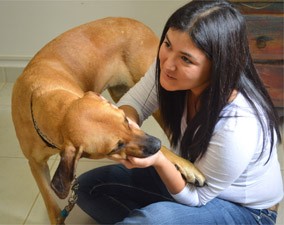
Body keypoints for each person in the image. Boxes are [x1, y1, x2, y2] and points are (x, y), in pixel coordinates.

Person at [75, 1, 283, 224]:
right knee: (86, 188)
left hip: (246, 210)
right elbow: (134, 102)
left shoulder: (239, 125)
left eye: (185, 59)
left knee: (151, 220)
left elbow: (197, 197)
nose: (167, 64)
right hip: (191, 180)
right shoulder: (170, 72)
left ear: (218, 66)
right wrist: (128, 134)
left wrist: (160, 160)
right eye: (167, 44)